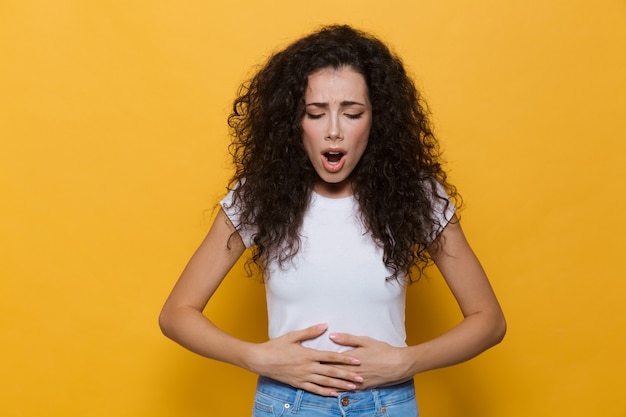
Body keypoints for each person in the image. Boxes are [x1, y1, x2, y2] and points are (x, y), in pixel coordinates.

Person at [159, 24, 506, 417]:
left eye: (352, 113)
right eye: (316, 113)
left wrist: (405, 362)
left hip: (386, 405)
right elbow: (177, 314)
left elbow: (489, 321)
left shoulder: (417, 195)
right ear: (294, 121)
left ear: (377, 120)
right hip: (287, 404)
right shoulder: (258, 196)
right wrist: (256, 357)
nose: (335, 131)